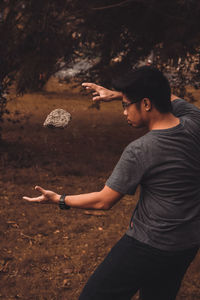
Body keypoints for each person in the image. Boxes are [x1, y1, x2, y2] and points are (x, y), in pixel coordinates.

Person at [23, 66, 200, 300]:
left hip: (148, 244)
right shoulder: (194, 124)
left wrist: (59, 199)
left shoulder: (140, 150)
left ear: (146, 103)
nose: (123, 111)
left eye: (125, 104)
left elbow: (103, 201)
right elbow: (166, 95)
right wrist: (121, 94)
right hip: (186, 243)